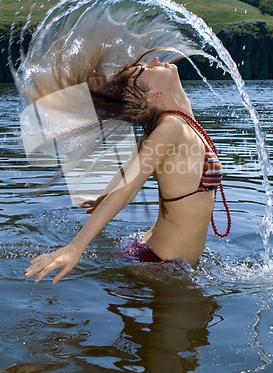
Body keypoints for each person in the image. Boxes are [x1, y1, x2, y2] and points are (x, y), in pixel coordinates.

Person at [25, 56, 229, 284]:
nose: (154, 61)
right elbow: (129, 186)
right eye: (144, 71)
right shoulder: (170, 127)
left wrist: (101, 197)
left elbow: (128, 169)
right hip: (161, 265)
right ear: (154, 96)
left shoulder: (177, 118)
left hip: (160, 259)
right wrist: (75, 247)